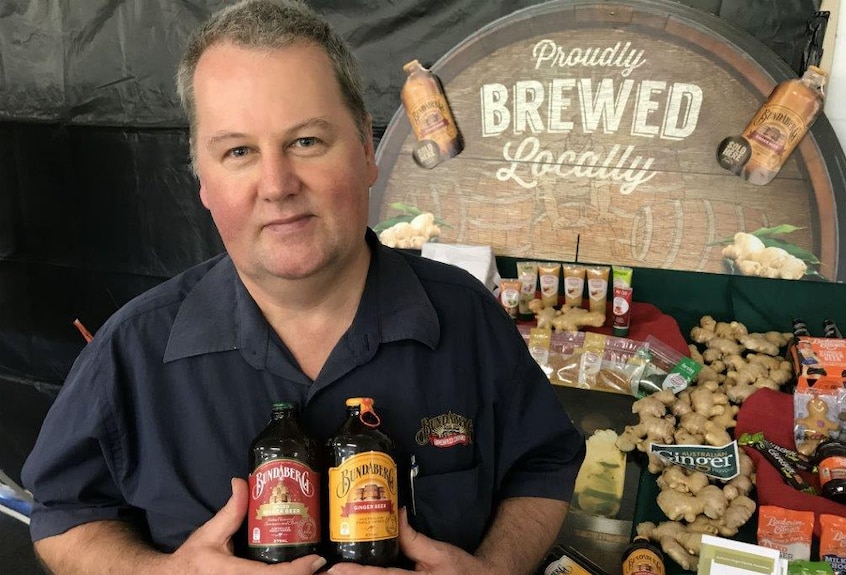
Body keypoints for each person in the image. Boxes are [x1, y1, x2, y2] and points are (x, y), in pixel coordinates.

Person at [21, 1, 585, 574]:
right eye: (238, 151)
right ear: (203, 182)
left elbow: (542, 465)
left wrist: (495, 569)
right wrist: (159, 572)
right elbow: (65, 514)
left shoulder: (468, 319)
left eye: (307, 141)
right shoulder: (132, 351)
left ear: (367, 150)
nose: (277, 185)